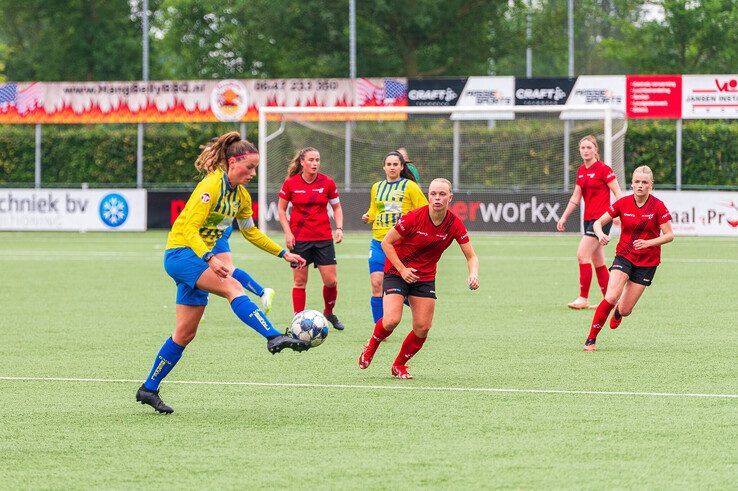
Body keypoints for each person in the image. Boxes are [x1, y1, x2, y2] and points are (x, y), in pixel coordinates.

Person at [136, 132, 309, 414]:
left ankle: (148, 389)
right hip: (182, 254)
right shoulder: (210, 187)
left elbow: (250, 231)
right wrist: (208, 258)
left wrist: (283, 253)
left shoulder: (239, 195)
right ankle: (273, 335)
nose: (253, 174)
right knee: (232, 288)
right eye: (249, 167)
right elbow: (189, 228)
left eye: (256, 168)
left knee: (185, 333)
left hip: (196, 257)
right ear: (231, 163)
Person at [358, 178, 479, 379]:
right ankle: (372, 344)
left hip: (424, 277)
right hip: (397, 272)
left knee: (423, 327)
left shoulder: (454, 223)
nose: (437, 198)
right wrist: (402, 269)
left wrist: (473, 274)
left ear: (450, 197)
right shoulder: (414, 217)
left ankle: (399, 365)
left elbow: (471, 256)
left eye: (442, 194)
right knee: (391, 321)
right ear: (428, 196)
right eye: (433, 194)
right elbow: (387, 243)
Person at [583, 165, 674, 351]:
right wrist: (600, 234)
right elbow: (599, 223)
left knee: (625, 309)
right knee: (611, 295)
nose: (640, 185)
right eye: (637, 182)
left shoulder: (658, 206)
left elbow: (669, 235)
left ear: (651, 185)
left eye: (644, 182)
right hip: (624, 255)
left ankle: (618, 312)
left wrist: (648, 243)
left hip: (648, 262)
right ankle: (590, 340)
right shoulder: (623, 203)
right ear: (632, 184)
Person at [200, 137, 275, 314]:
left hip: (214, 231)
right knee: (214, 267)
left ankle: (261, 291)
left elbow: (249, 231)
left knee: (224, 268)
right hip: (220, 228)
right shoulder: (218, 177)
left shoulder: (221, 175)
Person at [278, 147, 345, 330]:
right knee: (300, 282)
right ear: (302, 162)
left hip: (323, 239)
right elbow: (281, 211)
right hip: (299, 240)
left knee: (331, 281)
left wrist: (338, 228)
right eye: (311, 160)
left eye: (317, 160)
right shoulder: (291, 184)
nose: (315, 163)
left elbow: (337, 208)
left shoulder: (327, 182)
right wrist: (288, 233)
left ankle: (329, 313)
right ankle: (297, 320)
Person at [556, 135, 623, 309]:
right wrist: (564, 217)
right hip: (588, 220)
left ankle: (583, 298)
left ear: (595, 150)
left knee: (581, 255)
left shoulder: (603, 169)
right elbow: (576, 197)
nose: (586, 150)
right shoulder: (581, 171)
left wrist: (617, 214)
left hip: (601, 220)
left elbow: (618, 193)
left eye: (589, 147)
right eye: (583, 148)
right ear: (580, 151)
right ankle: (611, 299)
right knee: (598, 261)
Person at [362, 151, 428, 323]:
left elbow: (424, 210)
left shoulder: (410, 187)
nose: (392, 167)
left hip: (401, 245)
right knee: (377, 283)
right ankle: (379, 328)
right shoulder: (376, 187)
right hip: (378, 242)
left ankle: (408, 300)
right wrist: (368, 216)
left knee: (405, 285)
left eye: (395, 164)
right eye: (389, 164)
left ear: (401, 167)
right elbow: (375, 210)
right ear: (384, 167)